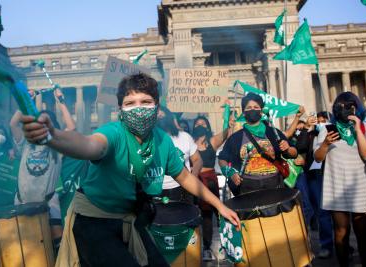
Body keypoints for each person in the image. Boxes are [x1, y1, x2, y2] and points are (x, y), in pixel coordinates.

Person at [19, 73, 240, 267]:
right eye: (130, 102)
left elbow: (185, 177)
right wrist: (52, 136)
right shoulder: (113, 133)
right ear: (120, 109)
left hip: (130, 219)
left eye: (145, 101)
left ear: (157, 107)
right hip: (94, 221)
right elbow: (89, 144)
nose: (139, 108)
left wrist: (220, 206)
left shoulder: (162, 141)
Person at [314, 92, 366, 267]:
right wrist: (326, 144)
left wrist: (358, 129)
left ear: (356, 107)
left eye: (349, 105)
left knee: (363, 231)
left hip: (360, 184)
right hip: (337, 185)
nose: (344, 109)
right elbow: (317, 158)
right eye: (339, 106)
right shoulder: (327, 129)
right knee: (341, 231)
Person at [10, 87, 75, 255]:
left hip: (48, 200)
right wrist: (27, 100)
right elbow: (13, 123)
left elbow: (71, 128)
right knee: (26, 244)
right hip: (23, 199)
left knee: (56, 238)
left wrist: (61, 102)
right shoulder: (25, 142)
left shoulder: (57, 145)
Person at [219, 93, 298, 195]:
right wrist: (230, 173)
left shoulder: (273, 132)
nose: (253, 109)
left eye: (256, 107)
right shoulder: (235, 138)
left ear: (261, 111)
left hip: (274, 186)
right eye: (249, 107)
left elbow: (294, 153)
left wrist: (288, 149)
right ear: (243, 112)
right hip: (248, 189)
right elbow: (222, 159)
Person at [191, 114, 233, 261]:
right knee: (204, 216)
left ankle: (228, 244)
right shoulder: (189, 142)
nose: (200, 126)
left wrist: (228, 116)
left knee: (219, 213)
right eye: (197, 124)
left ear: (208, 127)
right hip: (194, 181)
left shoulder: (212, 141)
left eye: (203, 123)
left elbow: (226, 133)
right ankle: (206, 248)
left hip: (210, 181)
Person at [305, 111, 335, 259]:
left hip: (334, 173)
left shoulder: (335, 131)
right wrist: (306, 129)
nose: (321, 123)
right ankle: (327, 244)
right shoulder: (311, 134)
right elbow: (304, 148)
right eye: (319, 121)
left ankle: (343, 243)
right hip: (317, 175)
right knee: (322, 211)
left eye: (324, 121)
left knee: (339, 211)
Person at [157, 106, 202, 202]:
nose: (160, 118)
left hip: (183, 189)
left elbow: (197, 159)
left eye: (162, 115)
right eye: (157, 116)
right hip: (156, 191)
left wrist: (193, 177)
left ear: (169, 118)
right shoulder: (148, 140)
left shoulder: (184, 137)